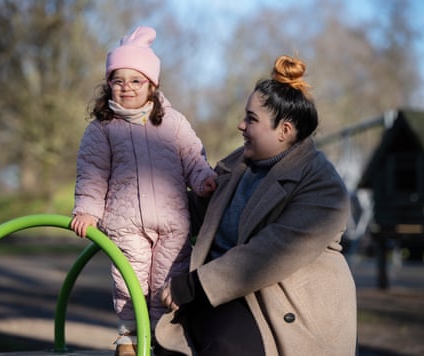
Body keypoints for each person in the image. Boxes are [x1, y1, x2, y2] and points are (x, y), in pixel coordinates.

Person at [155, 54, 357, 356]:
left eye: (251, 119)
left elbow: (271, 251)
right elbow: (198, 211)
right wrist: (140, 204)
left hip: (280, 305)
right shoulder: (240, 163)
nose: (240, 125)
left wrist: (193, 286)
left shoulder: (323, 187)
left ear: (284, 131)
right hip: (224, 295)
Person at [71, 26, 217, 356]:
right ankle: (129, 339)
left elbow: (193, 155)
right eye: (118, 80)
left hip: (172, 223)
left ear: (152, 85)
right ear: (108, 83)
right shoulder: (102, 129)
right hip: (125, 224)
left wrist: (203, 178)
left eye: (135, 81)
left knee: (167, 285)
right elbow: (92, 173)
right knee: (129, 284)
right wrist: (87, 210)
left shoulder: (173, 123)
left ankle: (163, 340)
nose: (126, 88)